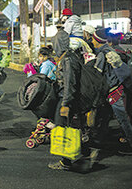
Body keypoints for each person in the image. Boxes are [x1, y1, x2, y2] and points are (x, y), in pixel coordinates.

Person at [48, 30, 84, 170]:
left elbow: (70, 82)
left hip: (66, 98)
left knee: (63, 127)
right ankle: (71, 156)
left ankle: (66, 161)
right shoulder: (68, 56)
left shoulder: (68, 59)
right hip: (65, 97)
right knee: (67, 127)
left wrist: (65, 104)